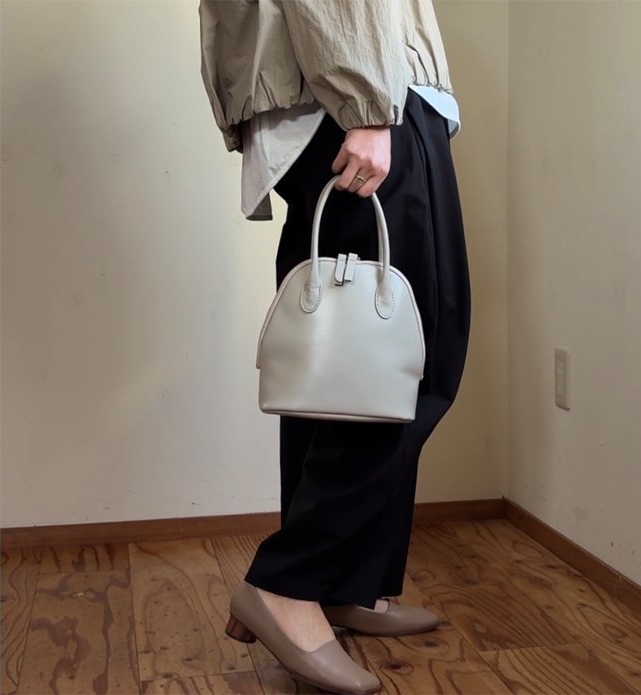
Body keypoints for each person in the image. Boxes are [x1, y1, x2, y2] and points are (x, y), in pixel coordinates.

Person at [198, 2, 472, 693]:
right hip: (355, 89)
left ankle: (340, 583)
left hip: (338, 88)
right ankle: (289, 583)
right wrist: (367, 105)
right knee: (403, 358)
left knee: (336, 365)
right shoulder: (363, 102)